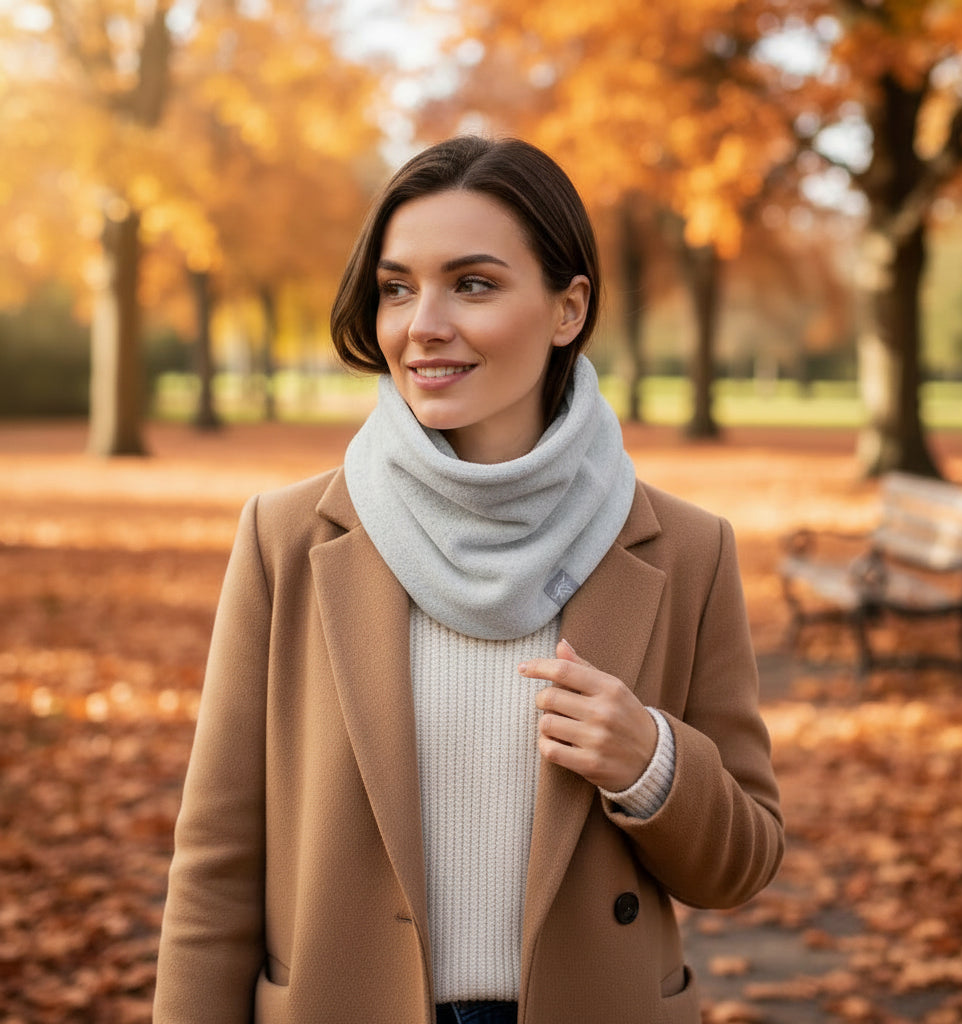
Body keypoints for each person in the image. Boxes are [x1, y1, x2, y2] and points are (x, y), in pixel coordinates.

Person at [153, 135, 783, 1024]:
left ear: (568, 309)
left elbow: (743, 863)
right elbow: (216, 865)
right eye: (397, 287)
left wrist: (650, 762)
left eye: (473, 285)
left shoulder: (687, 551)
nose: (423, 324)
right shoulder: (285, 540)